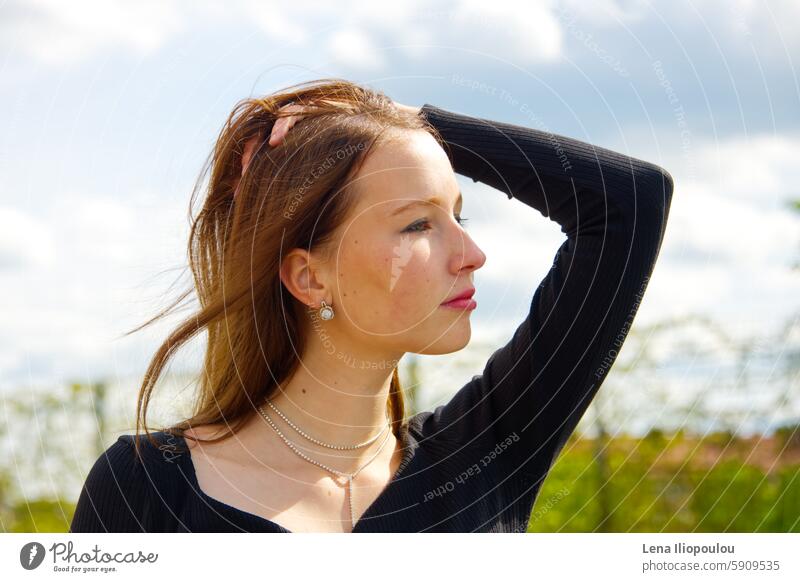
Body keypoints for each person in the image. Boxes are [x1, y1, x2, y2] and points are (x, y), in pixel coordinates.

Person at [69, 78, 674, 533]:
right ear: (309, 278)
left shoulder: (490, 452)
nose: (471, 254)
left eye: (457, 215)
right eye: (417, 224)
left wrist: (410, 125)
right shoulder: (145, 488)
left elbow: (633, 202)